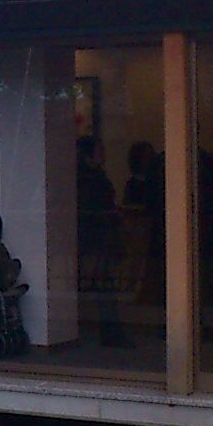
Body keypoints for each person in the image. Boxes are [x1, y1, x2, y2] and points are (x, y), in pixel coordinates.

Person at [77, 135, 130, 348]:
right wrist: (109, 215)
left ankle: (111, 330)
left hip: (99, 239)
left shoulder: (93, 177)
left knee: (104, 286)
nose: (104, 154)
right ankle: (111, 331)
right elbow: (90, 208)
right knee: (104, 286)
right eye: (99, 150)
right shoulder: (88, 179)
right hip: (95, 239)